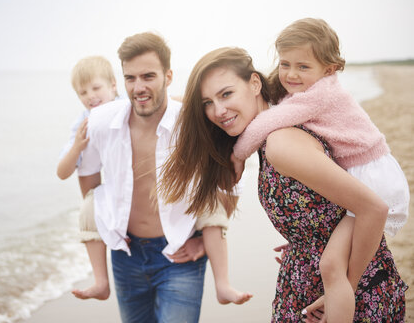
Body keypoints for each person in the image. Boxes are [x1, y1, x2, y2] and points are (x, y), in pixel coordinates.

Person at [159, 46, 407, 322]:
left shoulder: (280, 142)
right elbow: (330, 208)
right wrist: (305, 239)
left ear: (254, 83)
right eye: (207, 103)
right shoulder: (266, 138)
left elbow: (373, 208)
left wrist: (346, 285)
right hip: (309, 286)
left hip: (348, 295)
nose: (218, 111)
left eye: (226, 94)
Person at [229, 18, 410, 322]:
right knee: (331, 262)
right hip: (363, 173)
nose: (290, 74)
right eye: (285, 64)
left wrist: (237, 155)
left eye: (303, 66)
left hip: (372, 179)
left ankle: (341, 305)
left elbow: (267, 122)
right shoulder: (308, 90)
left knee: (331, 267)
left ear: (329, 69)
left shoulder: (319, 94)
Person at [76, 32, 247, 323]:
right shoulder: (102, 121)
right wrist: (109, 224)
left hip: (179, 251)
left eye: (148, 76)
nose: (138, 87)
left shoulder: (194, 124)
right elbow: (89, 179)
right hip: (126, 253)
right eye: (130, 78)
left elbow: (229, 184)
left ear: (168, 76)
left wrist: (204, 243)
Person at [56, 56, 118, 300]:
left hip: (129, 181)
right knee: (88, 210)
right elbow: (62, 173)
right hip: (99, 193)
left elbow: (163, 104)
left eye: (96, 88)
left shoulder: (126, 106)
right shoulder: (82, 123)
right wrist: (77, 147)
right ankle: (101, 282)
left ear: (113, 85)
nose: (90, 96)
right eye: (83, 92)